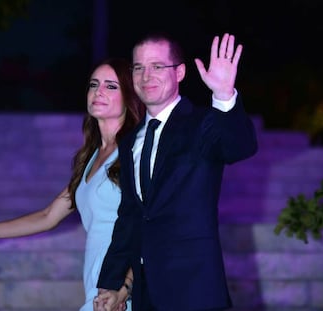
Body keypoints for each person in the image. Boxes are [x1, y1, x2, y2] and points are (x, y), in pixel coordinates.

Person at [0, 57, 144, 311]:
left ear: (129, 96)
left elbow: (148, 226)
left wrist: (125, 288)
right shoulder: (91, 158)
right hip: (98, 289)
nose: (98, 92)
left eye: (111, 86)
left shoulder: (136, 151)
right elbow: (48, 215)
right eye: (93, 84)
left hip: (122, 291)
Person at [94, 32, 258, 311]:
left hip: (194, 290)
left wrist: (224, 95)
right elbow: (132, 216)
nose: (146, 76)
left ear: (180, 72)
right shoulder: (131, 140)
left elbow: (239, 147)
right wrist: (113, 283)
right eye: (138, 67)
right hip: (146, 293)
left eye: (157, 66)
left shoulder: (203, 123)